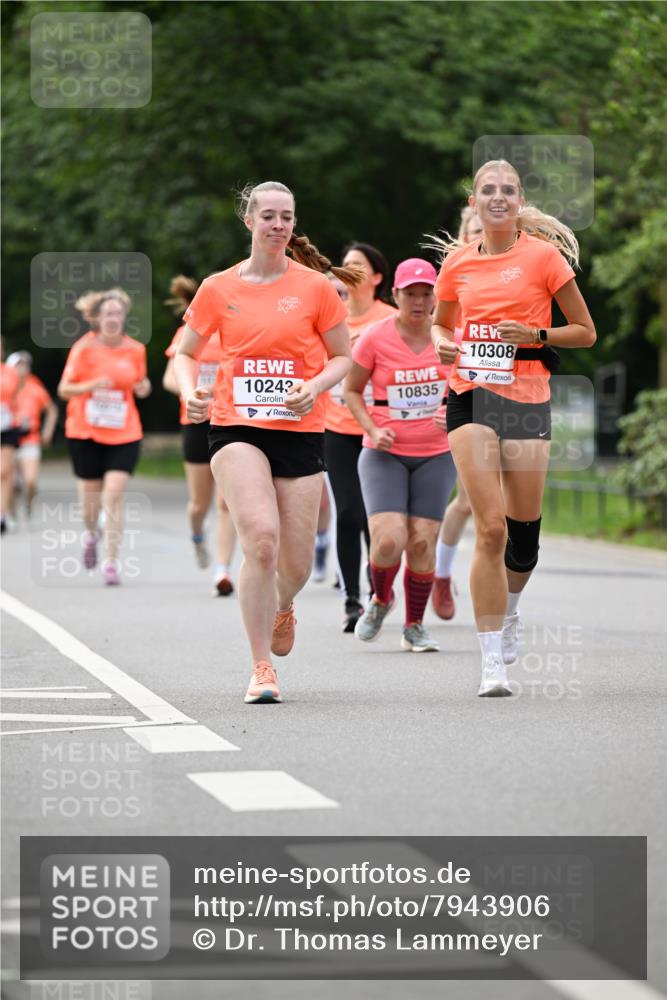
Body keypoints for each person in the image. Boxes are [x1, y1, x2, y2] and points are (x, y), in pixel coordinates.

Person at [174, 180, 360, 704]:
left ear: (294, 224)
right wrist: (193, 393)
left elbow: (343, 357)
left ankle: (284, 604)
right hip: (235, 427)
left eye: (287, 217)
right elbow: (186, 353)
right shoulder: (218, 288)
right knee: (260, 537)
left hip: (299, 430)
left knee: (295, 565)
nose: (279, 226)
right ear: (249, 221)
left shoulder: (316, 288)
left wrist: (315, 385)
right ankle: (261, 667)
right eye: (269, 216)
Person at [432, 159, 596, 696]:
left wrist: (534, 332)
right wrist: (441, 342)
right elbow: (441, 322)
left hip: (526, 399)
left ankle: (511, 610)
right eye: (487, 190)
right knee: (491, 527)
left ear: (518, 200)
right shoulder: (456, 264)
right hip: (470, 396)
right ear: (474, 201)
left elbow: (585, 332)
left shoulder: (543, 258)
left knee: (523, 540)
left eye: (507, 190)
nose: (497, 197)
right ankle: (490, 664)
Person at [344, 258, 457, 652]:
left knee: (423, 543)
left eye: (427, 294)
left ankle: (414, 625)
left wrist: (452, 411)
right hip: (383, 454)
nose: (419, 301)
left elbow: (469, 385)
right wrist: (373, 428)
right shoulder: (375, 338)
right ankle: (379, 600)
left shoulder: (448, 337)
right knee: (389, 540)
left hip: (436, 454)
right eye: (411, 293)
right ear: (395, 295)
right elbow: (352, 391)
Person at [325, 242, 397, 631]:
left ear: (378, 277)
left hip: (380, 429)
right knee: (349, 511)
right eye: (345, 265)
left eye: (358, 265)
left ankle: (378, 592)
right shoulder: (327, 317)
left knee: (377, 518)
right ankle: (351, 599)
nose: (348, 270)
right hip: (336, 426)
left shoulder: (391, 318)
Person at [57, 288, 151, 585]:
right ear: (97, 318)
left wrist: (143, 388)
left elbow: (141, 383)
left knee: (114, 496)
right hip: (85, 431)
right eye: (107, 313)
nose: (113, 318)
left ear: (124, 316)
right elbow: (64, 389)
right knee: (90, 504)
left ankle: (110, 562)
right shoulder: (84, 348)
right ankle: (90, 532)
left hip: (124, 432)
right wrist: (92, 384)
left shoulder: (135, 349)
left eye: (118, 313)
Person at [163, 275, 237, 595]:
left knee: (226, 501)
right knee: (199, 503)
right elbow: (170, 379)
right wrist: (191, 392)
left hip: (229, 420)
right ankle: (197, 535)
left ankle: (222, 570)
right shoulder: (187, 332)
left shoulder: (238, 331)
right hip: (195, 419)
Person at [432, 207, 483, 619]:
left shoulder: (514, 276)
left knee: (502, 504)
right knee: (468, 500)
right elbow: (435, 339)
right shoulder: (454, 278)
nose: (479, 236)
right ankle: (443, 575)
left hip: (513, 395)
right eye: (473, 230)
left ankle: (499, 589)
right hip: (461, 393)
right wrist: (442, 398)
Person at [6, 350, 58, 520]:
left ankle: (28, 504)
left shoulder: (35, 387)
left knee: (30, 481)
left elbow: (51, 410)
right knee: (10, 482)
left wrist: (47, 431)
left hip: (30, 439)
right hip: (7, 440)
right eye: (18, 365)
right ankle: (9, 513)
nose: (22, 369)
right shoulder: (4, 387)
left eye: (25, 365)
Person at [0, 337, 20, 535]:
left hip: (6, 426)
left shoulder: (10, 372)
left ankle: (2, 513)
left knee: (4, 471)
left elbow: (17, 397)